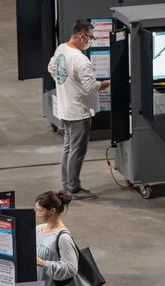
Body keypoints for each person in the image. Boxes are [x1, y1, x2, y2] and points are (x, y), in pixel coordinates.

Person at [47, 19, 111, 200]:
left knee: (68, 148)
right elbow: (91, 86)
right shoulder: (81, 60)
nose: (92, 41)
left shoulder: (61, 49)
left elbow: (51, 68)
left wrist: (67, 84)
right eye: (91, 37)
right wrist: (109, 83)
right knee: (77, 151)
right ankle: (73, 189)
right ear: (82, 36)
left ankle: (67, 185)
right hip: (79, 112)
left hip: (66, 108)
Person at [35, 191, 79, 286]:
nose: (37, 213)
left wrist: (42, 263)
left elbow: (71, 269)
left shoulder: (63, 237)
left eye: (40, 210)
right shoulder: (38, 229)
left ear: (52, 211)